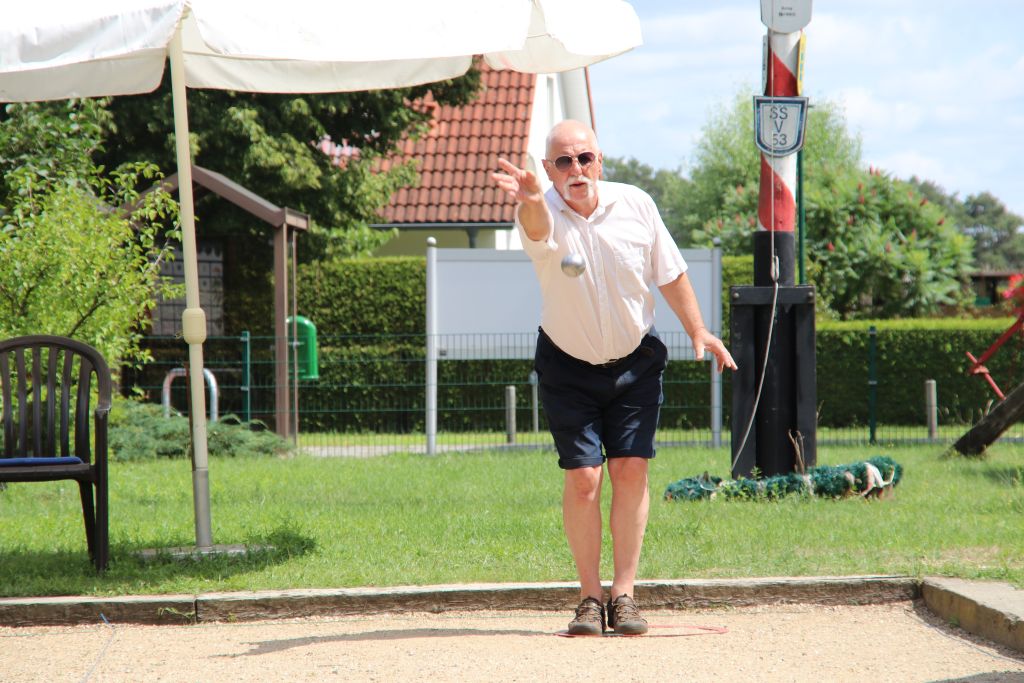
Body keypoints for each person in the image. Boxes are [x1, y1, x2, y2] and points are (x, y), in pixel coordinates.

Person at [491, 120, 737, 636]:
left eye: (584, 158)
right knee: (584, 479)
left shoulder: (637, 205)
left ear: (600, 161)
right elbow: (536, 229)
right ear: (549, 169)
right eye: (563, 161)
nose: (576, 169)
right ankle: (588, 597)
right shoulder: (541, 210)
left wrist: (698, 328)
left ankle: (624, 596)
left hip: (635, 360)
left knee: (630, 470)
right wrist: (532, 198)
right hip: (566, 363)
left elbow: (669, 272)